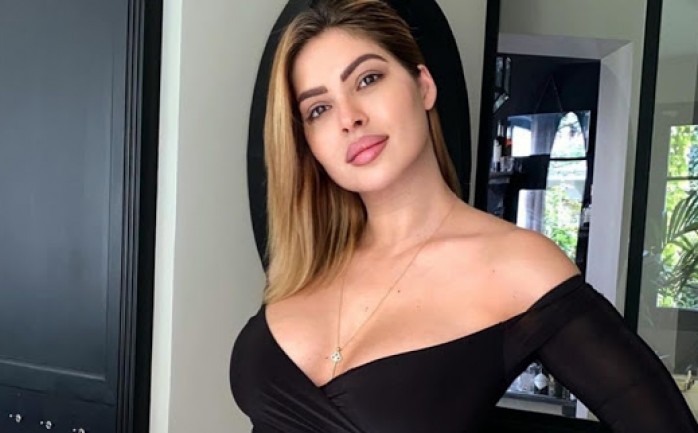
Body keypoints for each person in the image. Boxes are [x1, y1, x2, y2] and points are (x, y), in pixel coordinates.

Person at [229, 0, 698, 431]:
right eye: (318, 108)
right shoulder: (307, 261)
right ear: (308, 143)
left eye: (367, 80)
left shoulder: (517, 265)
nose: (348, 117)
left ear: (423, 86)